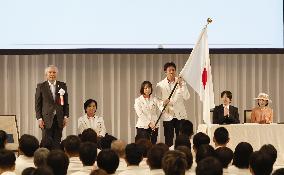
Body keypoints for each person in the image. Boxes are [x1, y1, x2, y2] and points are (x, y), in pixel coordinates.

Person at [156, 62, 190, 147]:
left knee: (181, 138)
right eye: (169, 70)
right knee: (168, 139)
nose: (171, 72)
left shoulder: (181, 83)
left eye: (173, 70)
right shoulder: (160, 85)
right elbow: (157, 100)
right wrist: (163, 104)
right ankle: (170, 157)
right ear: (165, 72)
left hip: (180, 115)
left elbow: (187, 97)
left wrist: (182, 85)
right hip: (168, 115)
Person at [35, 65, 69, 149]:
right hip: (46, 120)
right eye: (50, 72)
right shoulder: (41, 86)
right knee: (46, 142)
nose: (52, 74)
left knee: (57, 142)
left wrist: (65, 117)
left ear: (56, 74)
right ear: (46, 74)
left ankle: (56, 160)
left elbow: (66, 103)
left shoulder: (62, 85)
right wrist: (39, 119)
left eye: (54, 72)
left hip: (59, 119)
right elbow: (37, 104)